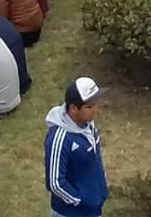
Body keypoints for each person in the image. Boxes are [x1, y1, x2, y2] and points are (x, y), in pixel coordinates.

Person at [44, 77, 109, 215]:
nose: (95, 110)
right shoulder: (59, 138)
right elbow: (55, 183)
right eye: (89, 107)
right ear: (73, 108)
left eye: (95, 104)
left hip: (93, 209)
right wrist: (80, 201)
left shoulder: (89, 125)